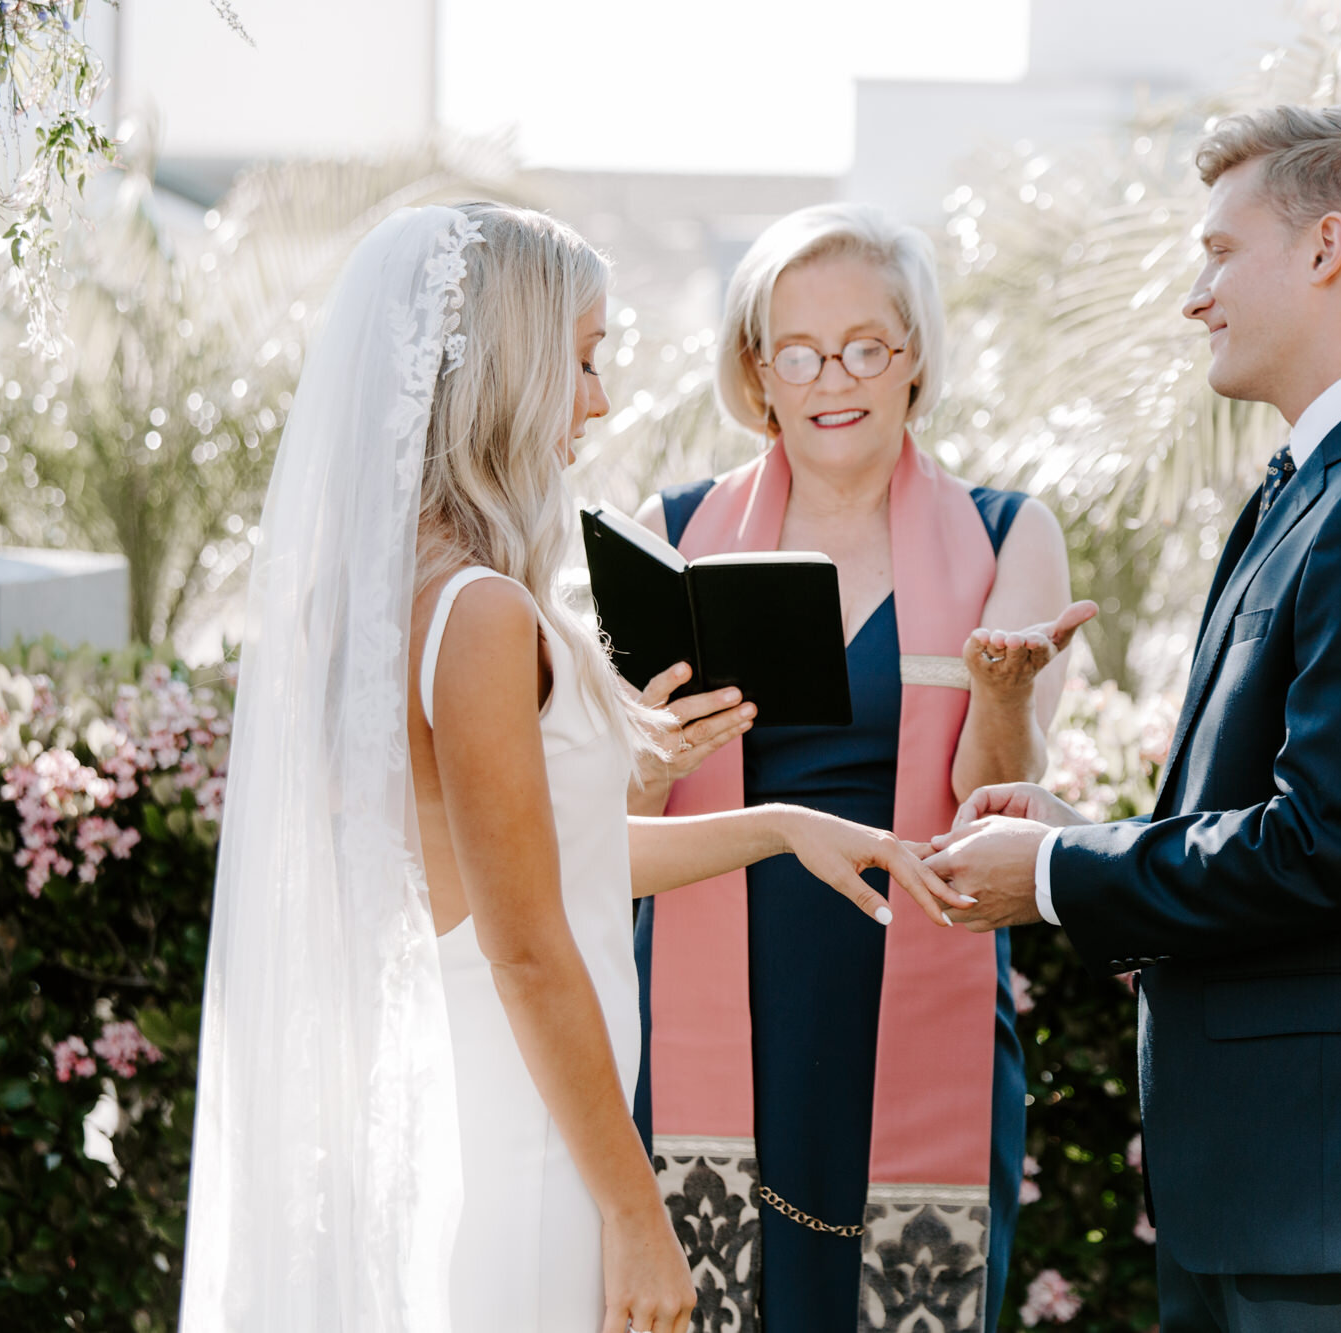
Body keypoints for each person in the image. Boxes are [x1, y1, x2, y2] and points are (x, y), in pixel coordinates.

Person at [179, 203, 961, 1333]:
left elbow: (554, 868)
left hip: (469, 1097)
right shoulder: (483, 613)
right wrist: (636, 1211)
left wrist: (779, 822)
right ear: (509, 369)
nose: (597, 398)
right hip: (525, 1130)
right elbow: (533, 947)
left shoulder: (378, 596)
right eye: (583, 360)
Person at [928, 106, 1341, 1333]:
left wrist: (1055, 873)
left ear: (1325, 247)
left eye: (1217, 251)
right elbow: (1277, 813)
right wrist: (1083, 832)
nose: (1191, 295)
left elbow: (1328, 849)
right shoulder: (1329, 483)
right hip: (1280, 1195)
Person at [627, 202, 1095, 1332]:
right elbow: (613, 827)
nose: (832, 376)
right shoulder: (670, 535)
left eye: (865, 345)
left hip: (912, 1000)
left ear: (913, 356)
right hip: (707, 1010)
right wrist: (649, 755)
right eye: (798, 349)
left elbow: (991, 801)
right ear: (758, 368)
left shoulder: (1006, 535)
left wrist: (1000, 691)